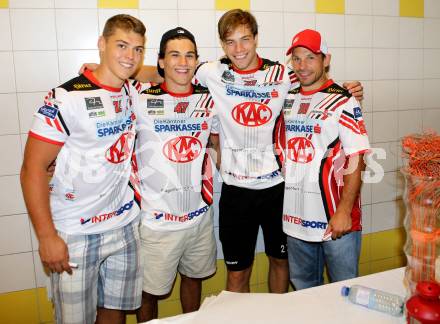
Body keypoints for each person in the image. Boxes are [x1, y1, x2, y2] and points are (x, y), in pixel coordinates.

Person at [81, 9, 364, 294]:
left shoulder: (281, 73)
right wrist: (103, 70)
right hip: (235, 191)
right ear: (222, 45)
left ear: (255, 39)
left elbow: (312, 76)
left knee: (281, 264)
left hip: (277, 190)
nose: (238, 49)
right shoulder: (211, 71)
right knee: (238, 273)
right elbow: (167, 69)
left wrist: (350, 87)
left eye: (245, 40)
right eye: (230, 42)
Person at [20, 14, 145, 324]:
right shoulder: (67, 97)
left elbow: (167, 73)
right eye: (121, 45)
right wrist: (47, 236)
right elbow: (31, 169)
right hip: (75, 232)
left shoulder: (132, 91)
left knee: (115, 313)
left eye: (138, 49)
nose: (130, 56)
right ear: (101, 44)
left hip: (124, 226)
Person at [134, 27, 217, 322]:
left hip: (198, 217)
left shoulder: (209, 99)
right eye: (174, 55)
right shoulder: (139, 97)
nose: (183, 62)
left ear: (197, 61)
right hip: (157, 222)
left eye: (189, 55)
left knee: (194, 279)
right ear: (160, 62)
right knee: (148, 293)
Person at [281, 29, 370, 290]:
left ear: (326, 59)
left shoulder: (343, 99)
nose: (302, 66)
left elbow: (358, 156)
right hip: (295, 221)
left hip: (336, 221)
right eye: (297, 58)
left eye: (310, 58)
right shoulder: (288, 96)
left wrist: (344, 211)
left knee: (344, 290)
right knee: (304, 290)